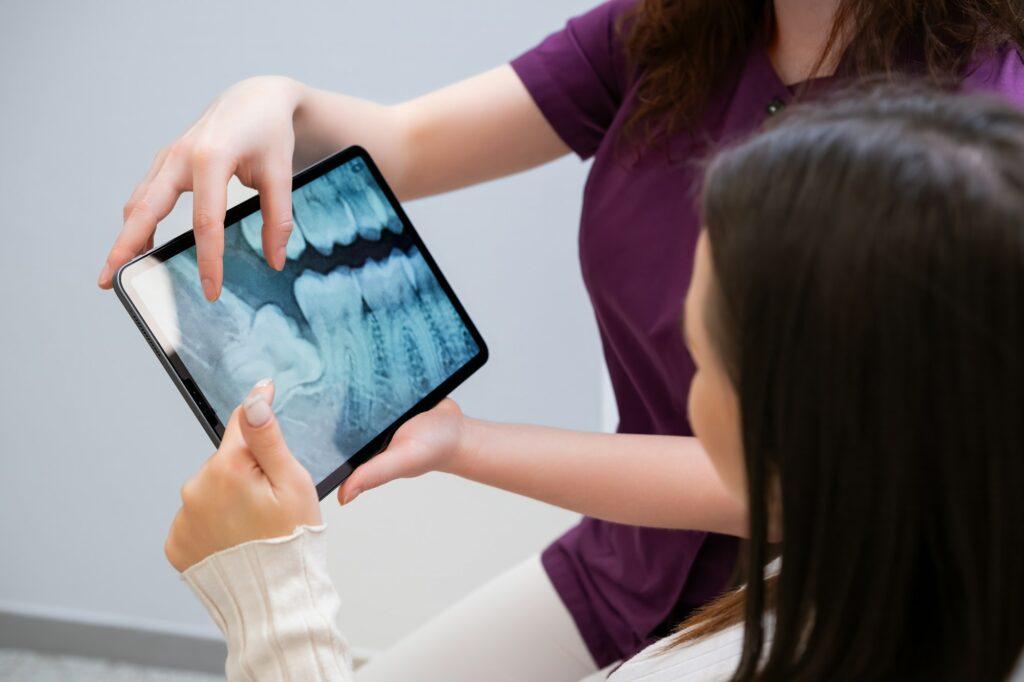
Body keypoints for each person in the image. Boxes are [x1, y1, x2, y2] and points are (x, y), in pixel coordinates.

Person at [100, 1, 1024, 677]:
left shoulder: (964, 143)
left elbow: (822, 484)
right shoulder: (677, 27)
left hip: (819, 589)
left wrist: (268, 585)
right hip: (623, 564)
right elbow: (410, 141)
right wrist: (276, 97)